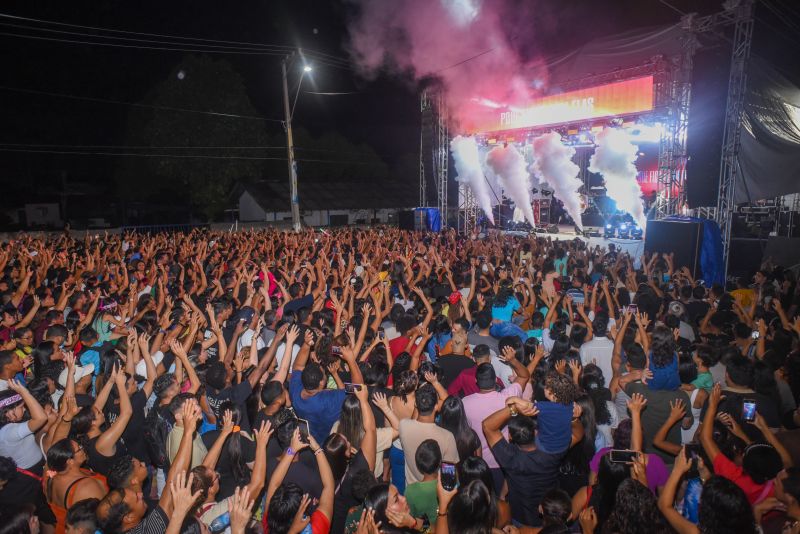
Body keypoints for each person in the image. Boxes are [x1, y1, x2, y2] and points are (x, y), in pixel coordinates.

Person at [399, 383, 459, 486]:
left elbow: (413, 420)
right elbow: (449, 473)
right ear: (436, 406)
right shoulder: (447, 436)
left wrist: (419, 399)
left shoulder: (403, 425)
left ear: (416, 405)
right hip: (435, 491)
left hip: (411, 489)